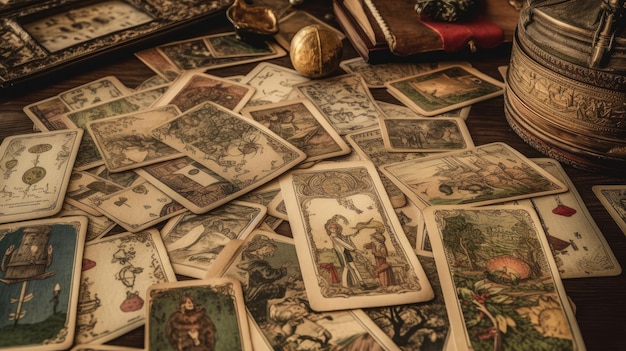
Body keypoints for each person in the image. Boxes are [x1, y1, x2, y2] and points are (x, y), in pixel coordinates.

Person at [236, 235, 289, 323]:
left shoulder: (247, 256)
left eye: (272, 252)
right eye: (269, 249)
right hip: (255, 290)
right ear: (262, 246)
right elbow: (268, 275)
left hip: (250, 289)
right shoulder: (257, 262)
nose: (270, 253)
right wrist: (283, 269)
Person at [324, 217, 367, 289]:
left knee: (354, 267)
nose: (333, 229)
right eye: (332, 228)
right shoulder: (333, 237)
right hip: (341, 254)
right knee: (346, 268)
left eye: (335, 228)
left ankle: (362, 283)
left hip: (346, 252)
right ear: (329, 230)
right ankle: (345, 285)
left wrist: (356, 233)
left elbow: (347, 238)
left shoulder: (339, 235)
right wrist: (356, 250)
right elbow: (345, 244)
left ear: (337, 229)